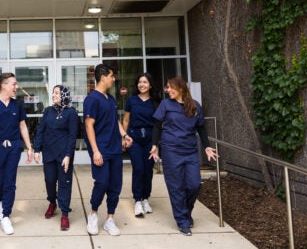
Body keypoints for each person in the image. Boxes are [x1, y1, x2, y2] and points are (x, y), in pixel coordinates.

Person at [150, 76, 218, 236]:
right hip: (171, 150)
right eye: (167, 87)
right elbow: (157, 126)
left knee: (194, 184)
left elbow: (201, 128)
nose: (168, 90)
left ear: (181, 88)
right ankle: (182, 221)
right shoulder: (165, 104)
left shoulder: (195, 106)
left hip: (190, 151)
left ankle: (186, 212)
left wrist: (207, 146)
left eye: (171, 87)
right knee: (176, 187)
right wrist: (155, 146)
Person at [0, 72, 34, 235]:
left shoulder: (17, 104)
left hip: (14, 147)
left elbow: (23, 126)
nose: (16, 87)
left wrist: (29, 147)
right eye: (13, 84)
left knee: (10, 181)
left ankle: (5, 215)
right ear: (4, 85)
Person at [83, 64, 133, 236]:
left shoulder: (110, 99)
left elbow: (115, 121)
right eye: (112, 76)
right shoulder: (92, 99)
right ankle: (93, 214)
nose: (114, 79)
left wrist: (124, 135)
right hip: (101, 150)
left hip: (115, 150)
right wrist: (95, 151)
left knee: (115, 186)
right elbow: (89, 125)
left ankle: (110, 219)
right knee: (102, 182)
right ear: (103, 76)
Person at [33, 85, 79, 231]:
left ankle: (64, 213)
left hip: (64, 154)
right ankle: (52, 202)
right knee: (50, 181)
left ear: (64, 94)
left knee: (65, 183)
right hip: (49, 153)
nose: (54, 95)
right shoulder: (48, 111)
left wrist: (68, 155)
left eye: (57, 93)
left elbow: (72, 136)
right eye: (53, 93)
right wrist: (36, 149)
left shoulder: (71, 113)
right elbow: (40, 131)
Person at [121, 72, 156, 217]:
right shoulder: (131, 100)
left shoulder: (155, 102)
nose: (142, 84)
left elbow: (157, 124)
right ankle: (137, 200)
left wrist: (156, 143)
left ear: (150, 85)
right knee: (138, 168)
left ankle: (145, 198)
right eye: (140, 82)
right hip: (134, 139)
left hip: (149, 139)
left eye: (145, 82)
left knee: (148, 170)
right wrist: (124, 137)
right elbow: (126, 120)